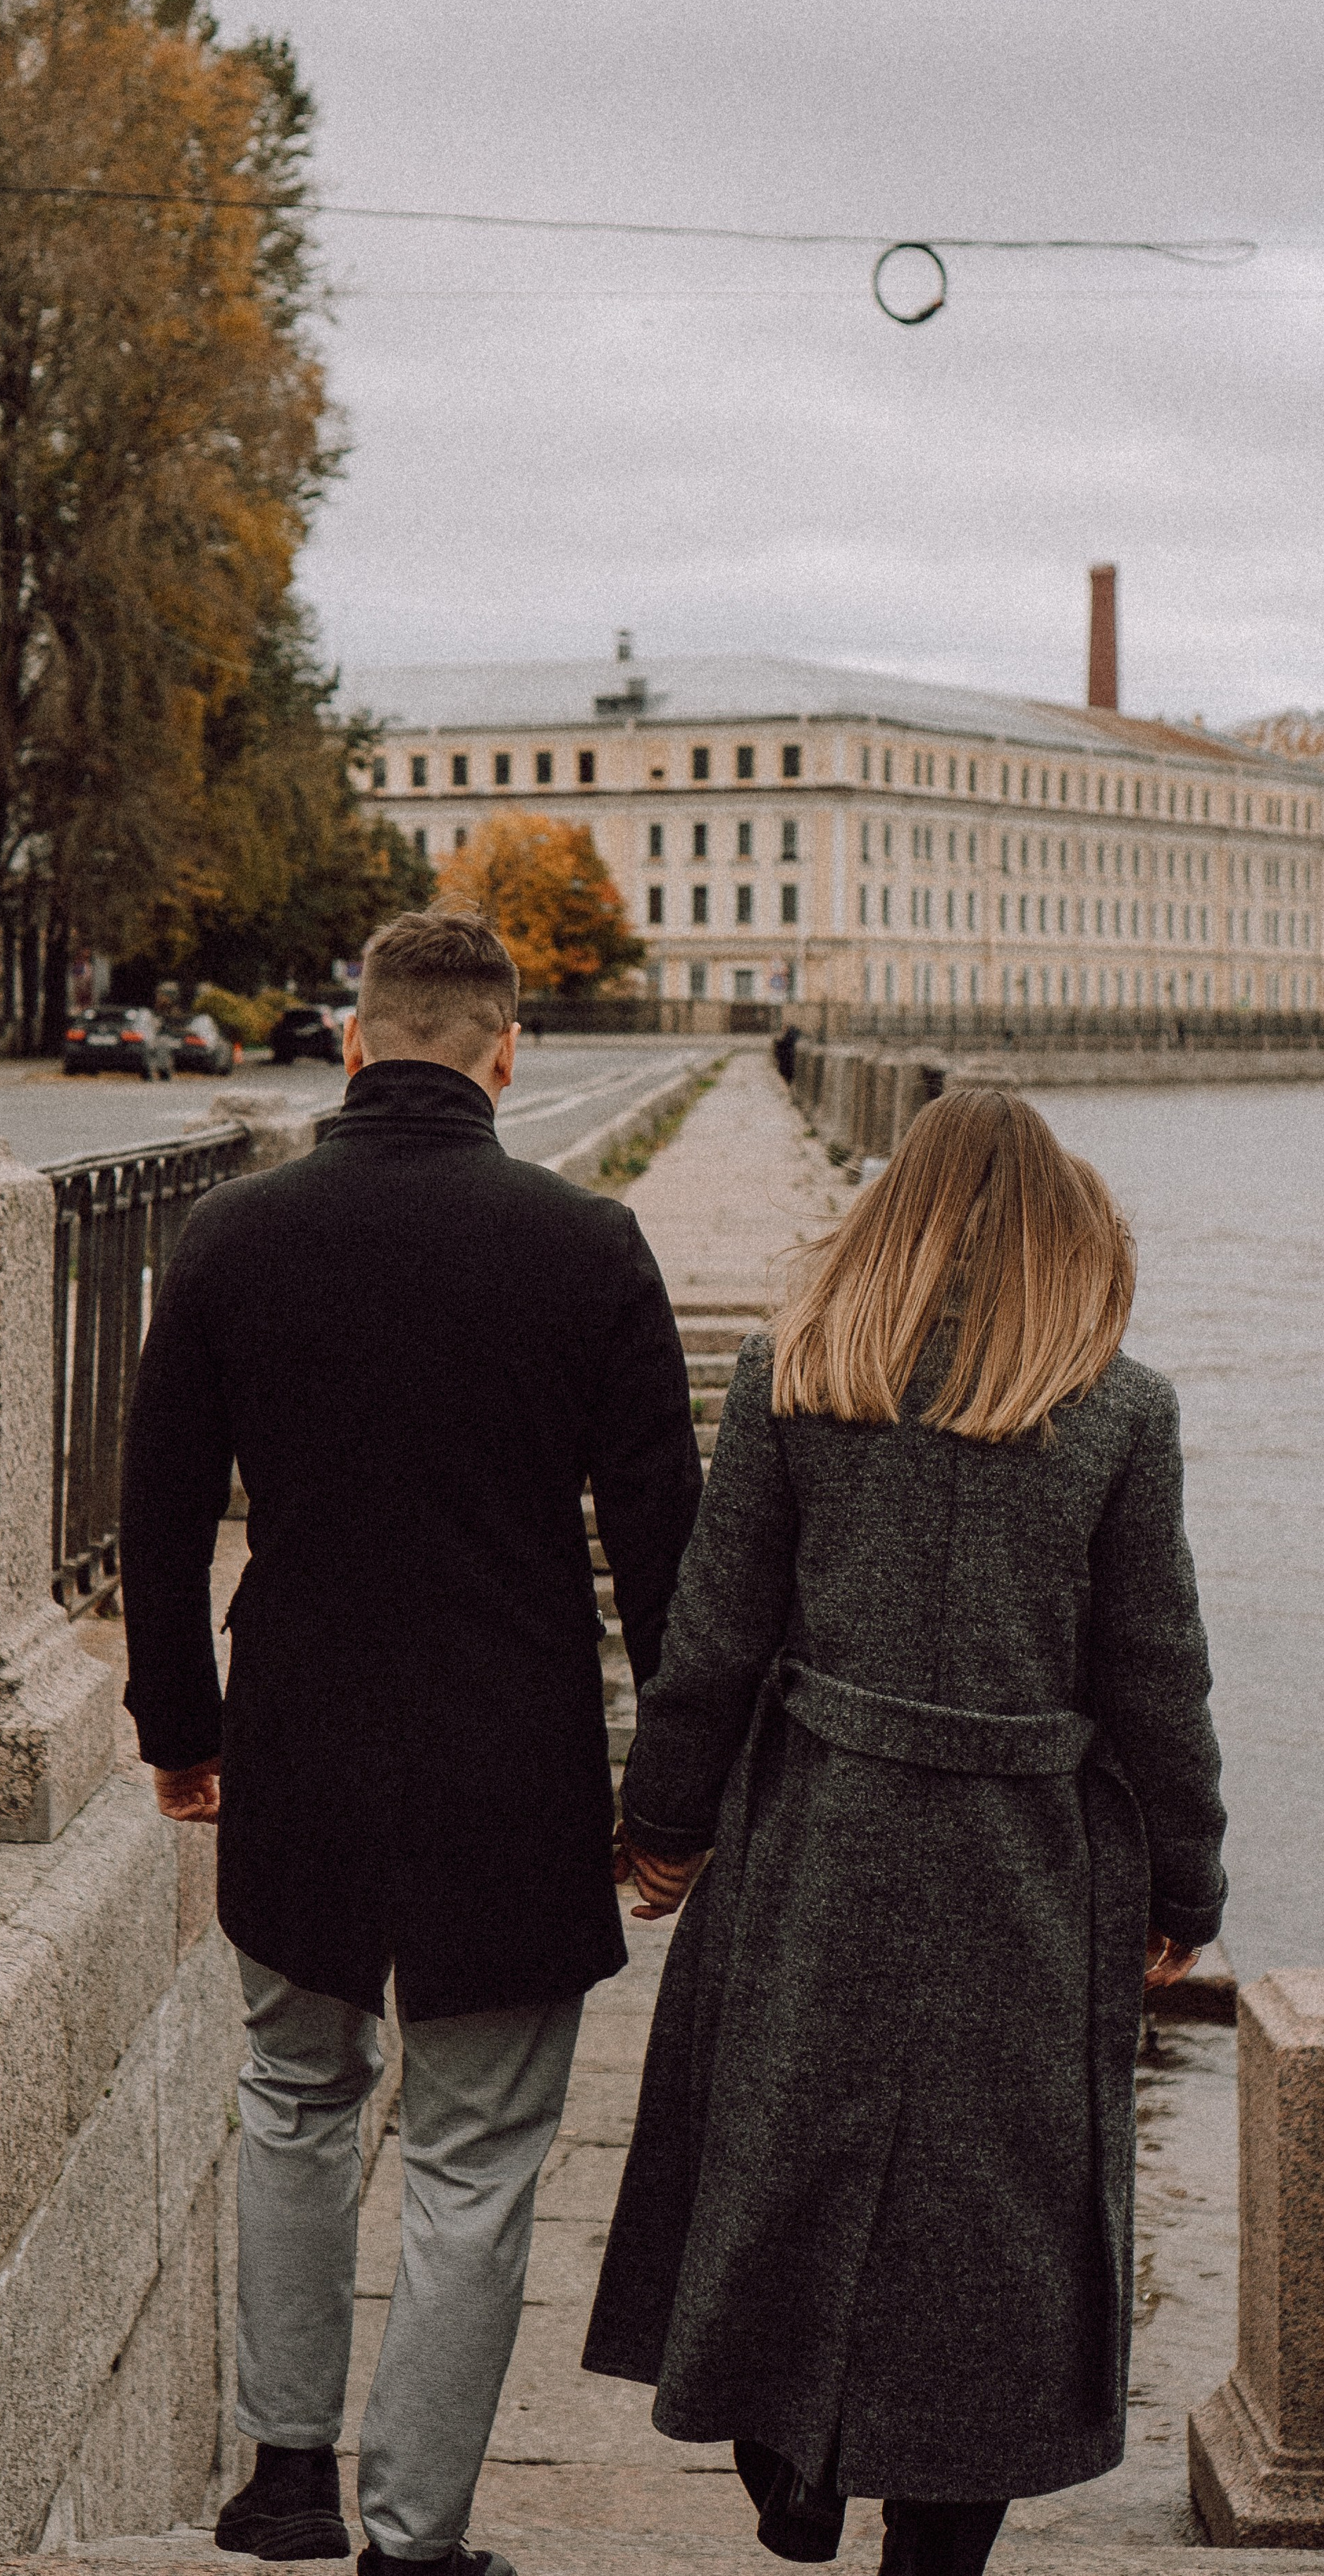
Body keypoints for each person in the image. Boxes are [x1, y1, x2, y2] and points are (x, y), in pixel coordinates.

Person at [118, 907, 702, 2576]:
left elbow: (159, 1514)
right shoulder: (588, 1249)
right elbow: (667, 1553)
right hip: (508, 1761)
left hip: (296, 1739)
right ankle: (415, 2537)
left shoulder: (232, 1236)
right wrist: (670, 1801)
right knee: (475, 2158)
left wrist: (180, 1729)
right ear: (505, 1051)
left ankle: (283, 2474)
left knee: (294, 2095)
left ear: (352, 1040)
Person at [583, 1085, 1226, 2576]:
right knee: (996, 2219)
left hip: (821, 1832)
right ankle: (935, 2544)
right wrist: (1186, 1886)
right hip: (1027, 1864)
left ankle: (788, 2456)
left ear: (888, 1217)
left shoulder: (792, 1375)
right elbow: (1158, 1680)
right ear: (1069, 1233)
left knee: (780, 2153)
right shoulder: (1118, 1410)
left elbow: (712, 1636)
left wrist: (662, 1823)